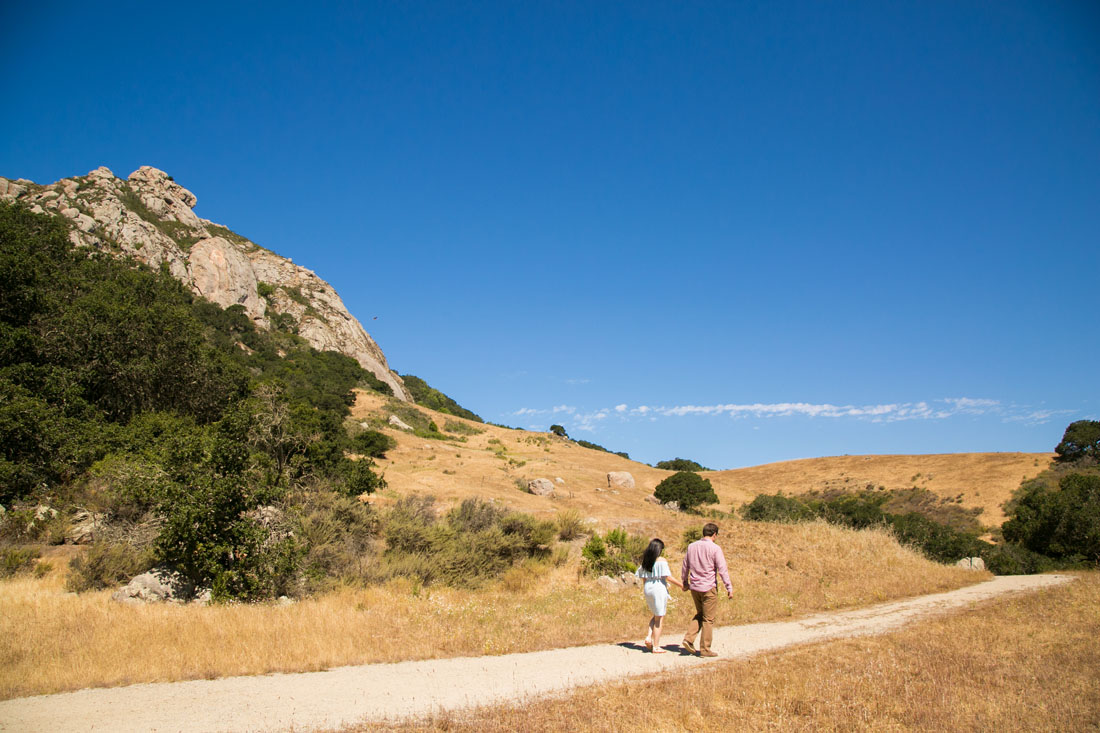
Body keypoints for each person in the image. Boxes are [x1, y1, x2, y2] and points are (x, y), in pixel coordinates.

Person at [680, 522, 732, 657]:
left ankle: (688, 639)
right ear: (714, 534)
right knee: (708, 619)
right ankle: (705, 649)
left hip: (694, 586)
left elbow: (685, 566)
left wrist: (684, 582)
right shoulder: (715, 548)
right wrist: (729, 587)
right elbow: (722, 569)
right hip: (708, 587)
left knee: (700, 613)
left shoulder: (691, 546)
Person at [635, 538, 683, 653]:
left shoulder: (645, 561)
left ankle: (648, 636)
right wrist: (682, 585)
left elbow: (643, 578)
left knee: (656, 614)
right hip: (658, 588)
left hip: (648, 588)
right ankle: (656, 646)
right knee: (659, 618)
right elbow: (668, 577)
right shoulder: (661, 561)